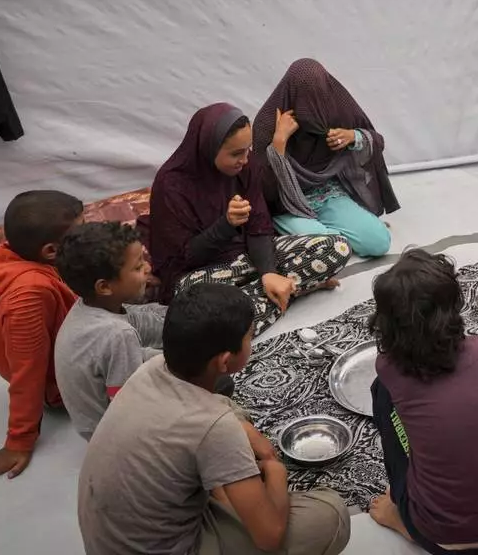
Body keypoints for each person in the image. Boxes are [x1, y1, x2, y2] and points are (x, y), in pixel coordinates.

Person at [77, 281, 350, 555]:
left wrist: (244, 432)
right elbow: (270, 537)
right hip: (174, 546)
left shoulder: (150, 369)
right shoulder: (214, 427)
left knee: (227, 405)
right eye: (249, 336)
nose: (251, 342)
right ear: (225, 361)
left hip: (112, 540)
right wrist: (274, 468)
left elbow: (213, 415)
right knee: (330, 515)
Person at [366, 250, 478, 555]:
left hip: (434, 535)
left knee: (381, 392)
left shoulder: (388, 370)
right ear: (456, 306)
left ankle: (402, 519)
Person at [145, 103, 351, 332]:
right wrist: (226, 225)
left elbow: (259, 226)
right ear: (208, 148)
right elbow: (183, 259)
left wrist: (268, 272)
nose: (244, 159)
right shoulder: (171, 185)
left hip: (248, 258)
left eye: (247, 150)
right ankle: (292, 290)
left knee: (337, 248)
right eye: (236, 153)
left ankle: (259, 302)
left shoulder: (245, 165)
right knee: (192, 301)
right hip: (201, 274)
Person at [0, 189, 84, 488]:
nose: (89, 235)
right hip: (63, 388)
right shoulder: (28, 295)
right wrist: (18, 442)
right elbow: (28, 370)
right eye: (82, 232)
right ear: (50, 251)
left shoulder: (7, 257)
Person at [253, 59, 397, 258]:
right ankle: (305, 232)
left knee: (378, 241)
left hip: (327, 195)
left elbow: (376, 141)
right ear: (292, 94)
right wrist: (279, 143)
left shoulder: (335, 110)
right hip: (285, 205)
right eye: (305, 99)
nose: (312, 105)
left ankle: (325, 234)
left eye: (318, 96)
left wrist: (352, 136)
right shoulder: (267, 124)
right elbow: (261, 189)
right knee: (327, 246)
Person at [54, 221, 169, 440]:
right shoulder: (118, 334)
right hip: (111, 432)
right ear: (105, 287)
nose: (147, 268)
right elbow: (130, 408)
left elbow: (143, 319)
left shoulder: (88, 304)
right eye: (138, 267)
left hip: (94, 415)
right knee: (215, 387)